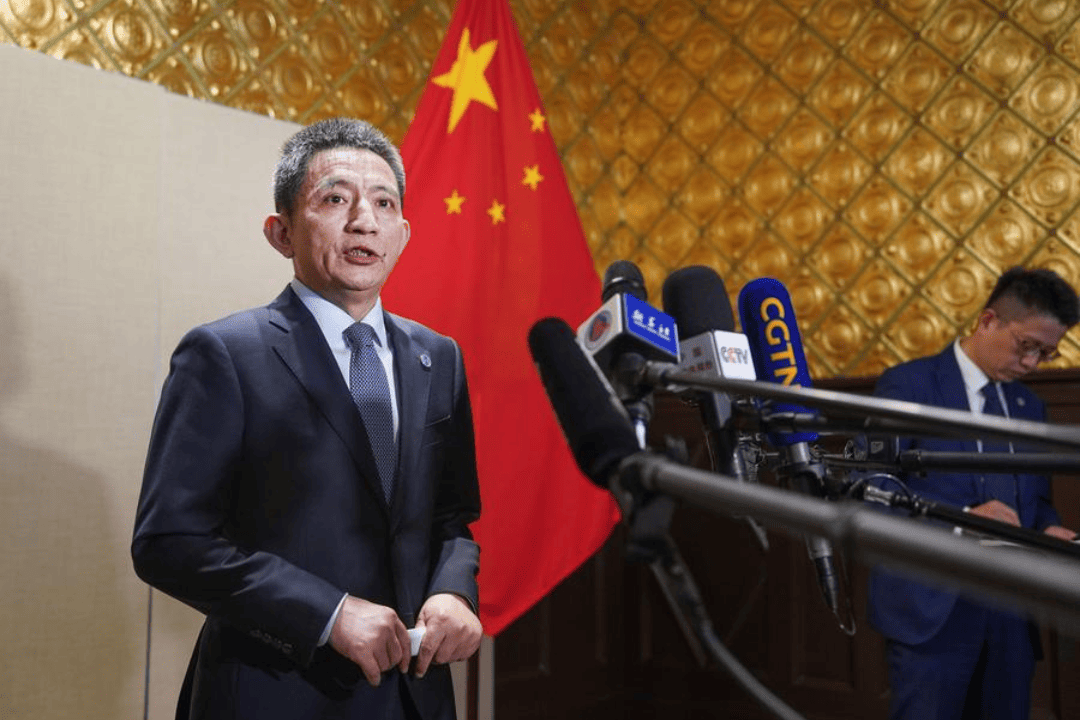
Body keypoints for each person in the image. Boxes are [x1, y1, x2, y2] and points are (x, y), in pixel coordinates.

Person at [132, 118, 483, 720]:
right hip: (274, 690)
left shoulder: (438, 356)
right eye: (336, 199)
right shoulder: (224, 354)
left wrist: (455, 590)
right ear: (282, 232)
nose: (364, 221)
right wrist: (328, 613)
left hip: (413, 694)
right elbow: (168, 542)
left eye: (384, 204)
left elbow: (451, 517)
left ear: (402, 234)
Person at [867, 266, 1078, 720]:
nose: (1031, 364)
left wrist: (1047, 530)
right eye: (1027, 346)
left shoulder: (1028, 405)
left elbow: (1037, 502)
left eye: (1046, 353)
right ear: (988, 321)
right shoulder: (909, 385)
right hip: (933, 608)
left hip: (1010, 614)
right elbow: (872, 488)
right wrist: (961, 520)